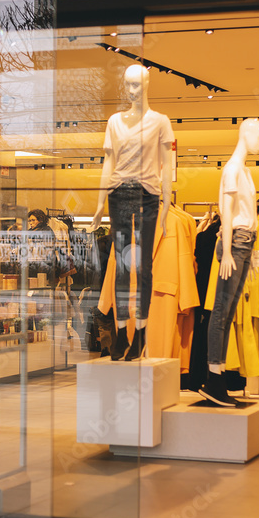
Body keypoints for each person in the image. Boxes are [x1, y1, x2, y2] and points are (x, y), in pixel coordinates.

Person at [89, 64, 174, 361]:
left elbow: (168, 165)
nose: (132, 90)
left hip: (148, 195)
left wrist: (166, 203)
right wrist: (100, 203)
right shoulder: (114, 121)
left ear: (148, 83)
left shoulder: (160, 121)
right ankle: (122, 333)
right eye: (127, 85)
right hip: (118, 194)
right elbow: (108, 163)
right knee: (122, 266)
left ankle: (141, 332)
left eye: (137, 84)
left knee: (144, 267)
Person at [199, 118, 259, 406]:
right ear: (247, 134)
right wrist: (226, 251)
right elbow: (225, 213)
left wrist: (252, 253)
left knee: (228, 313)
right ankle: (213, 378)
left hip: (244, 243)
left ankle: (218, 377)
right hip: (235, 242)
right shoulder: (232, 170)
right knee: (220, 312)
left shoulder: (245, 171)